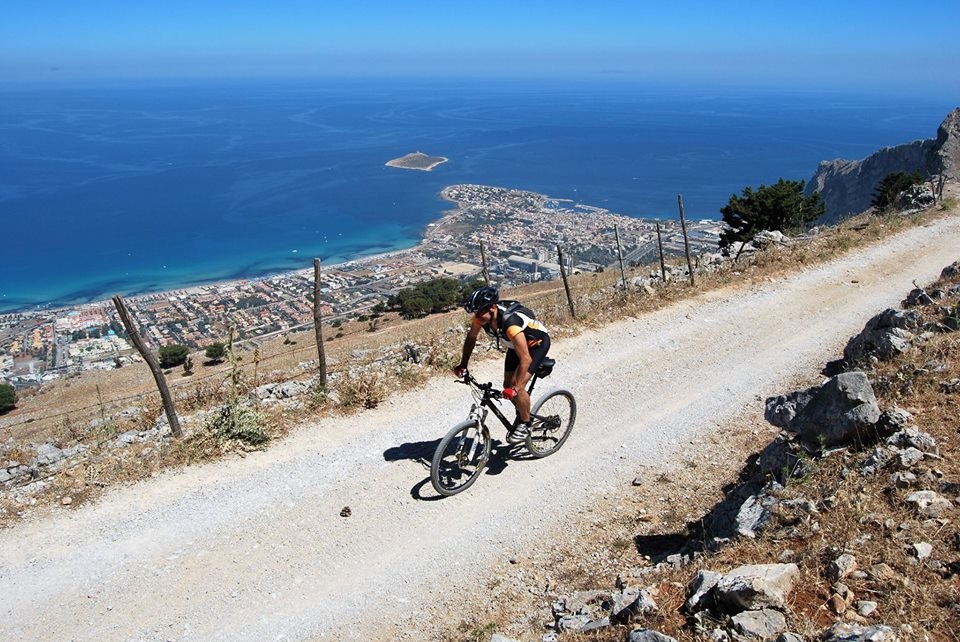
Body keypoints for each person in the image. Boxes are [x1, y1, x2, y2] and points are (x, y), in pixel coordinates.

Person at [454, 286, 551, 444]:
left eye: (480, 313)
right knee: (507, 384)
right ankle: (522, 409)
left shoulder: (510, 324)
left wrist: (516, 389)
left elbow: (526, 358)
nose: (477, 317)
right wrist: (463, 365)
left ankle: (526, 424)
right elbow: (471, 339)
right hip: (516, 345)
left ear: (493, 308)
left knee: (515, 387)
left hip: (536, 345)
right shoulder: (481, 318)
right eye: (475, 313)